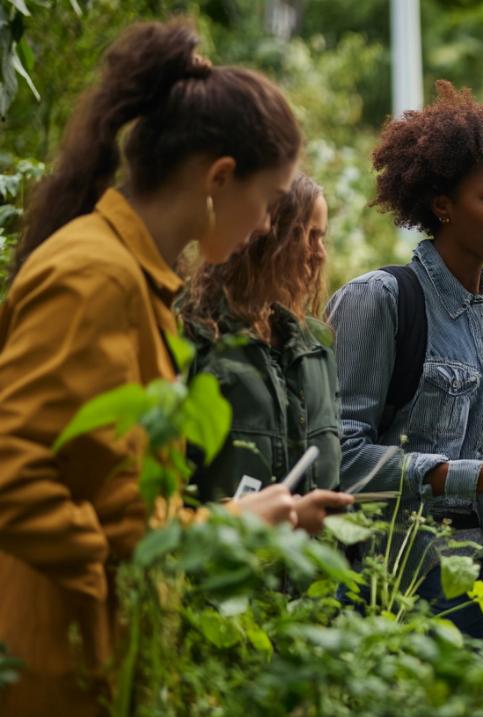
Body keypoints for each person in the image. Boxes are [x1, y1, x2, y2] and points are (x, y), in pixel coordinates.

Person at [0, 19, 301, 714]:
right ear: (219, 178)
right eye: (269, 200)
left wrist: (235, 521)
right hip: (55, 666)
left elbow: (120, 496)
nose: (263, 226)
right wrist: (110, 576)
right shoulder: (93, 274)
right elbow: (15, 471)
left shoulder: (131, 277)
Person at [326, 81, 483, 637]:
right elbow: (337, 458)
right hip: (396, 585)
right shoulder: (380, 299)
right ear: (443, 206)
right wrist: (472, 477)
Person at [180, 174, 353, 533]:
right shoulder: (195, 336)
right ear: (259, 236)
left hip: (308, 582)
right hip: (222, 573)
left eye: (320, 237)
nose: (318, 253)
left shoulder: (316, 347)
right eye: (302, 235)